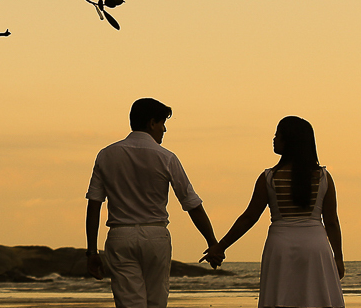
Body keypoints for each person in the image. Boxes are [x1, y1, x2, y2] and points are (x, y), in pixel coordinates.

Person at [86, 98, 220, 308]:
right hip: (155, 235)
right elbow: (191, 203)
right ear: (151, 123)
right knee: (157, 301)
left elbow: (94, 204)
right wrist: (212, 242)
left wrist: (92, 251)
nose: (164, 130)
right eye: (162, 123)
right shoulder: (166, 157)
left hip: (120, 235)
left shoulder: (106, 155)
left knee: (129, 303)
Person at [203, 116, 345, 308]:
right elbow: (331, 222)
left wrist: (221, 246)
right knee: (316, 300)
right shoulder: (323, 177)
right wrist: (338, 257)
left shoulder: (269, 178)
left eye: (278, 134)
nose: (274, 138)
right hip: (315, 248)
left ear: (289, 141)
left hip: (280, 248)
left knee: (280, 299)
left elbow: (249, 218)